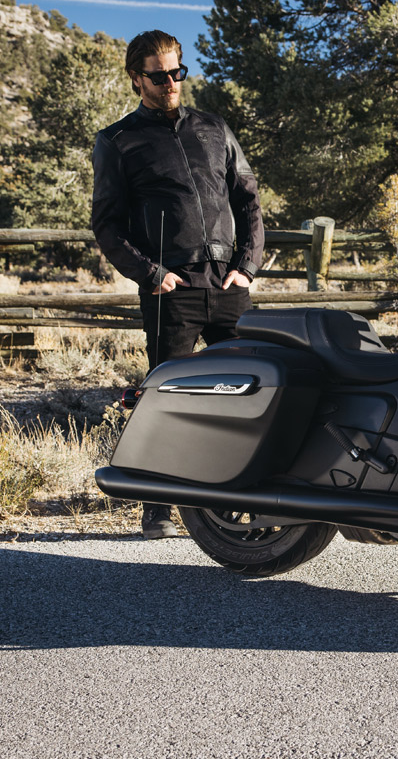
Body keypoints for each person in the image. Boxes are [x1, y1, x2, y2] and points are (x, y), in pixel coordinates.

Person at [91, 30, 264, 539]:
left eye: (177, 72)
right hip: (171, 289)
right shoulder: (118, 141)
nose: (171, 83)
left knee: (252, 394)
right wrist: (151, 274)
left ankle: (240, 501)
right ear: (136, 79)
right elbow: (107, 225)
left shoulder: (214, 128)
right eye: (159, 76)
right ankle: (158, 509)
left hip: (228, 284)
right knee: (167, 398)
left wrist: (247, 265)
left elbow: (249, 201)